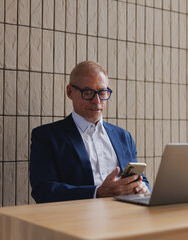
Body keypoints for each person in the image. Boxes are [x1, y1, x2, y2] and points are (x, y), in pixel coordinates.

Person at [30, 61, 150, 203]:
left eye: (102, 92)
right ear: (70, 92)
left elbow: (142, 180)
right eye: (88, 93)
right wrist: (97, 193)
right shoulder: (47, 137)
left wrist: (142, 188)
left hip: (126, 217)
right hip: (77, 221)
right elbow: (43, 191)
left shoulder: (123, 136)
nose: (97, 101)